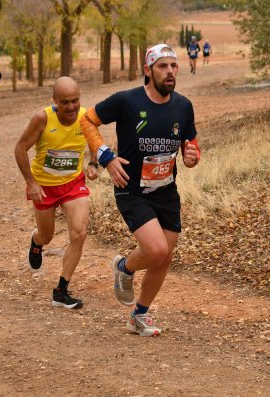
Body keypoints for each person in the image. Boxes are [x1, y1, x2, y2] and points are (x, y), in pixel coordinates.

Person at [80, 44, 201, 336]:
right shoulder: (126, 101)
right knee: (156, 249)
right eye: (163, 66)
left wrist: (192, 155)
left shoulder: (183, 106)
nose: (170, 71)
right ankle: (124, 267)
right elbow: (87, 120)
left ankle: (139, 316)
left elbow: (191, 142)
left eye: (173, 65)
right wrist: (106, 157)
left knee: (165, 256)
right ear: (148, 71)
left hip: (166, 190)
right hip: (130, 188)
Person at [14, 76, 99, 310]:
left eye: (75, 101)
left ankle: (61, 290)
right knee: (47, 235)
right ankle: (36, 240)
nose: (71, 107)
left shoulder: (86, 117)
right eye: (65, 102)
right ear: (54, 101)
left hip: (73, 184)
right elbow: (20, 149)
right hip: (44, 187)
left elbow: (96, 143)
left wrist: (93, 164)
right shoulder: (42, 119)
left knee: (79, 233)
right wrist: (31, 182)